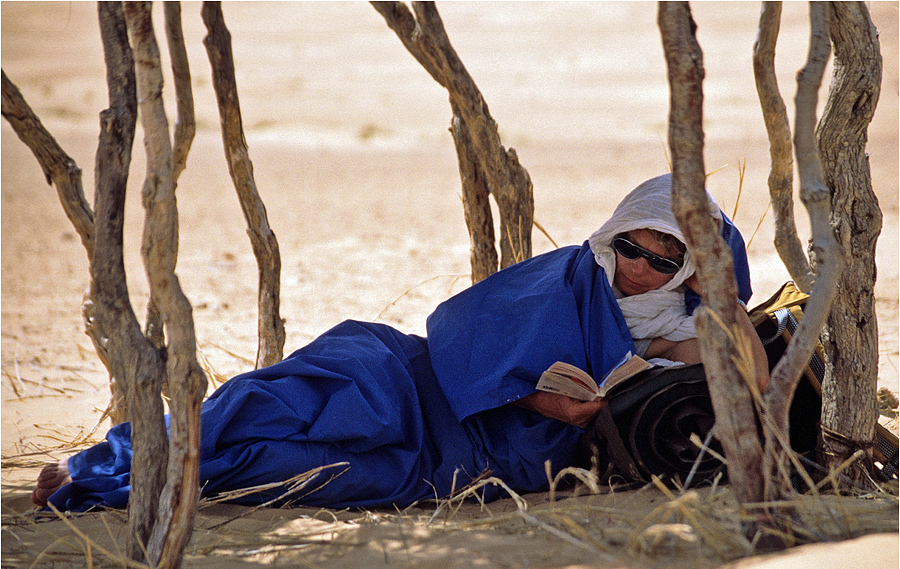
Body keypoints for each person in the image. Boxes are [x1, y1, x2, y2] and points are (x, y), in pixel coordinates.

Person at [32, 173, 765, 512]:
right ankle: (114, 457)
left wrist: (723, 300)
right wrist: (540, 393)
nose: (640, 268)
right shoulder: (572, 271)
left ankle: (130, 488)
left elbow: (752, 376)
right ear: (614, 234)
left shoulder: (676, 327)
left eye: (666, 261)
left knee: (300, 468)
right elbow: (463, 324)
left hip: (478, 454)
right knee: (278, 401)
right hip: (409, 373)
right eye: (632, 247)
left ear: (691, 271)